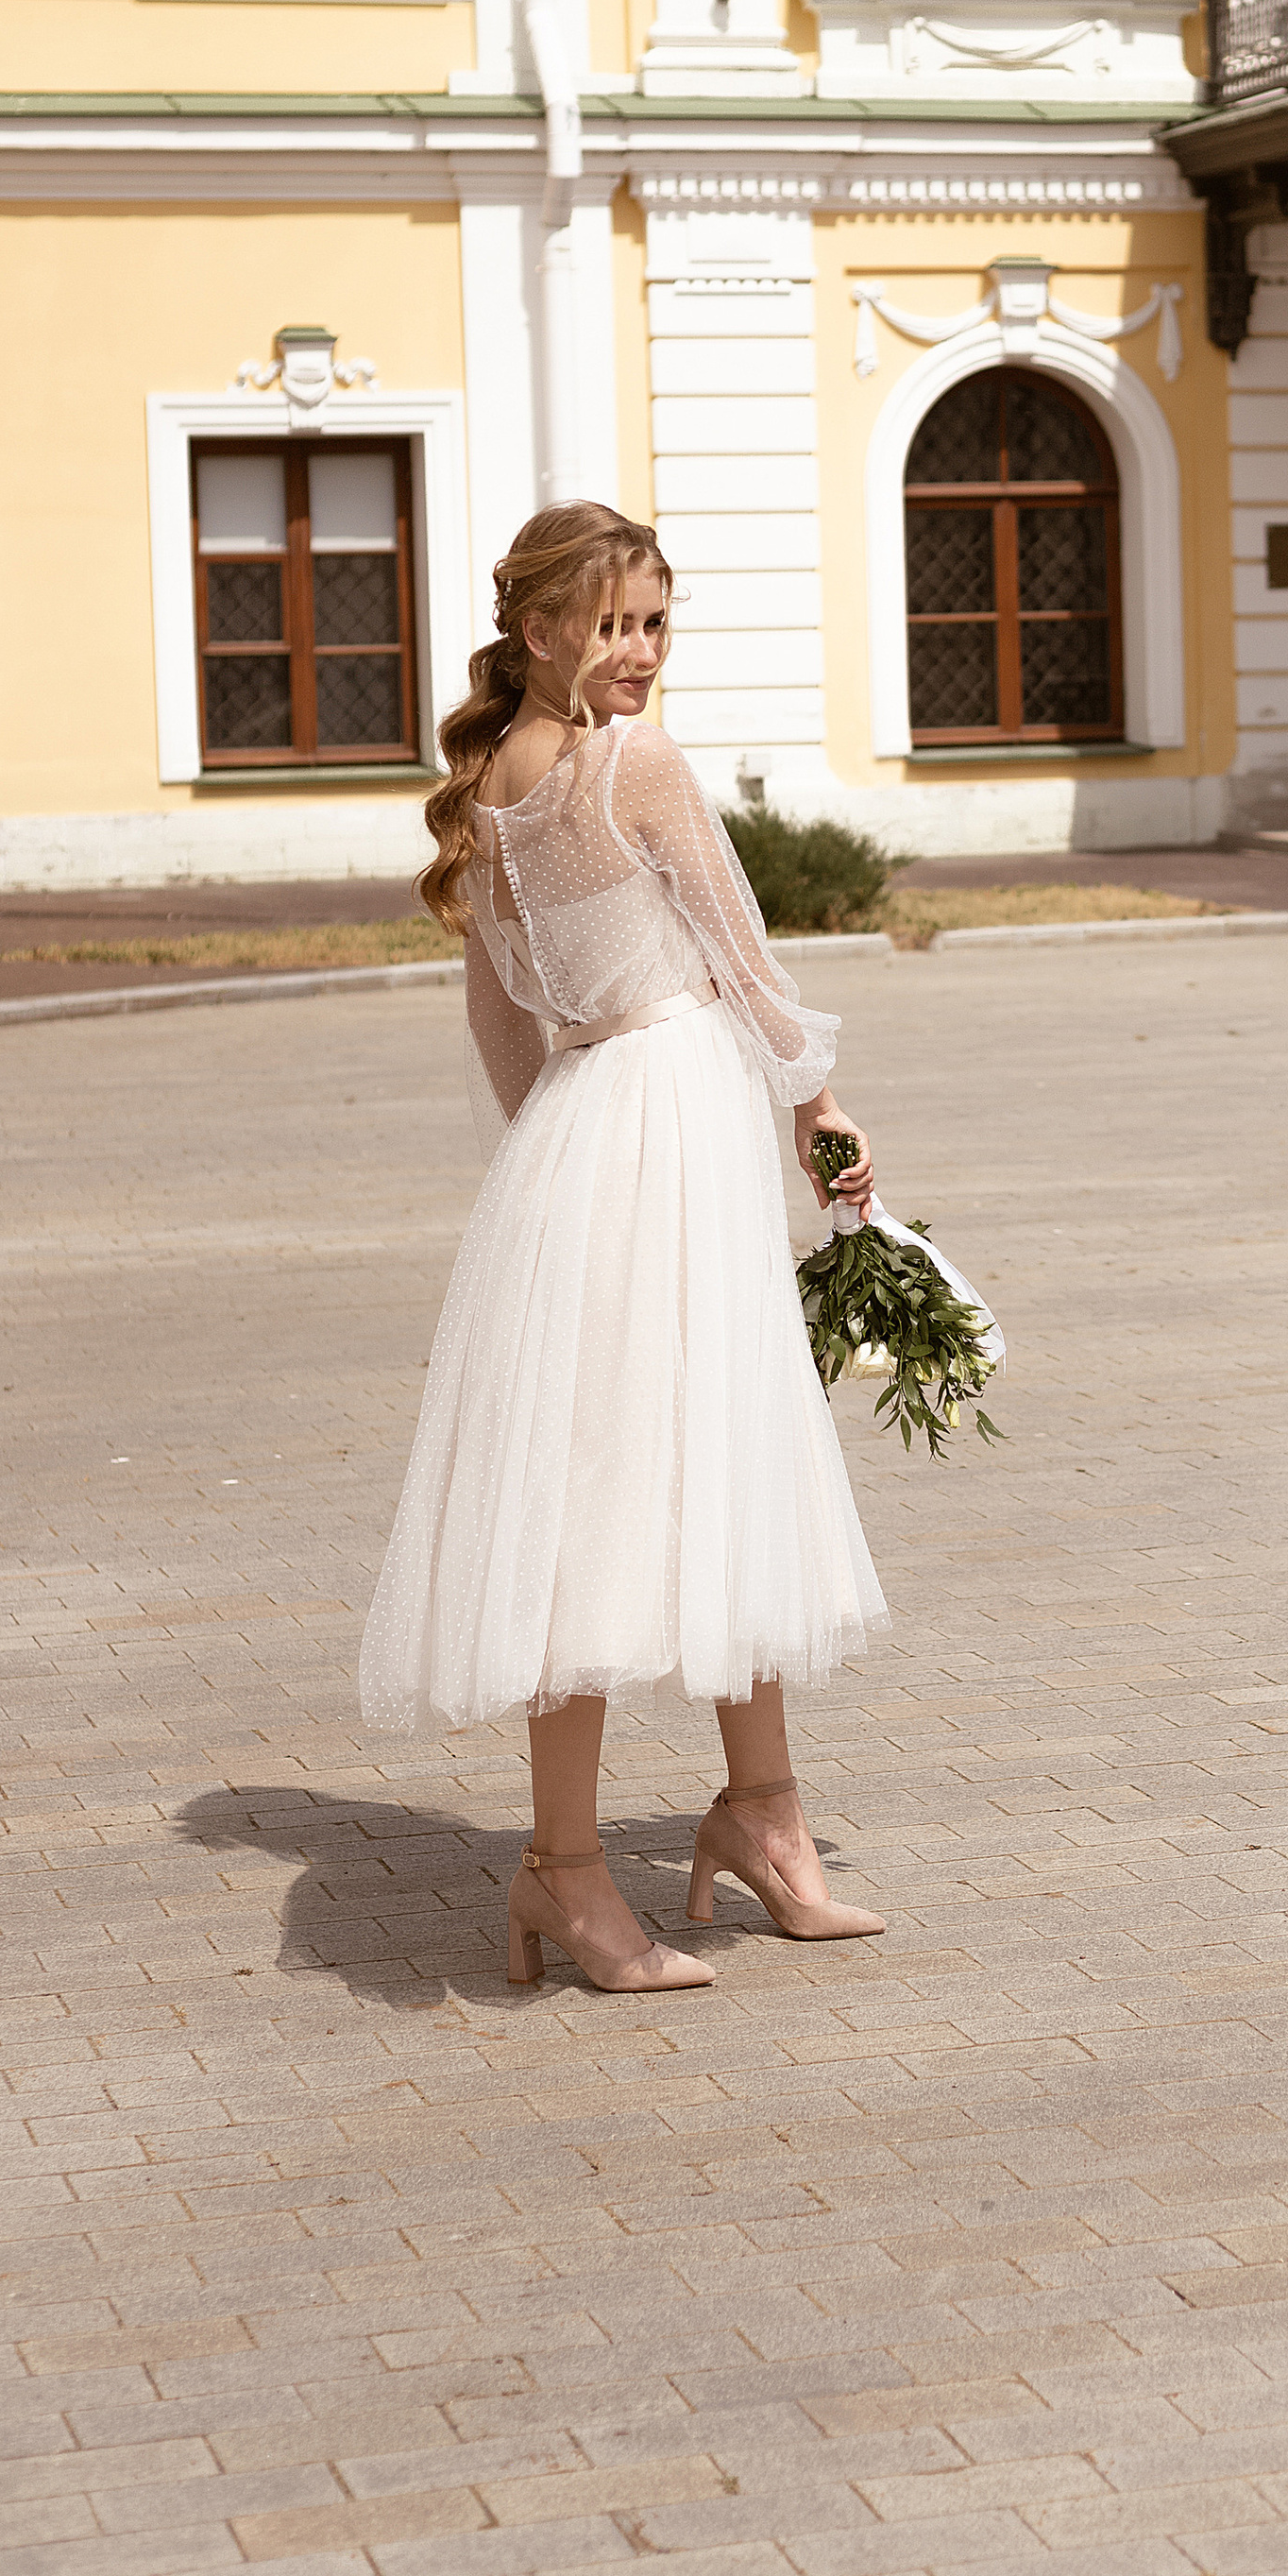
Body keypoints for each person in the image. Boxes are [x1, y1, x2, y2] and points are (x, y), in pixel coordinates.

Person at [360, 500, 890, 1993]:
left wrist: (558, 1147)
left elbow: (497, 1020)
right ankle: (572, 1873)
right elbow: (739, 952)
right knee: (674, 1469)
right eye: (611, 625)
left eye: (656, 623)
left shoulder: (482, 799)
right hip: (674, 1115)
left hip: (585, 1132)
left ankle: (749, 1820)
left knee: (623, 1479)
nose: (641, 652)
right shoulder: (631, 766)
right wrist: (818, 1102)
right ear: (539, 632)